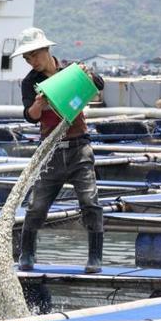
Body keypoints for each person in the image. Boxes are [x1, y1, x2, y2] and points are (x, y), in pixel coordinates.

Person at [11, 27, 105, 273]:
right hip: (50, 150)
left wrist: (87, 75)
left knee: (90, 201)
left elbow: (98, 83)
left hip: (78, 146)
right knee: (37, 206)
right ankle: (27, 254)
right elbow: (30, 117)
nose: (32, 61)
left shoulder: (69, 72)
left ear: (46, 50)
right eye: (27, 58)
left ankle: (95, 257)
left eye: (34, 55)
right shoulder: (30, 83)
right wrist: (38, 105)